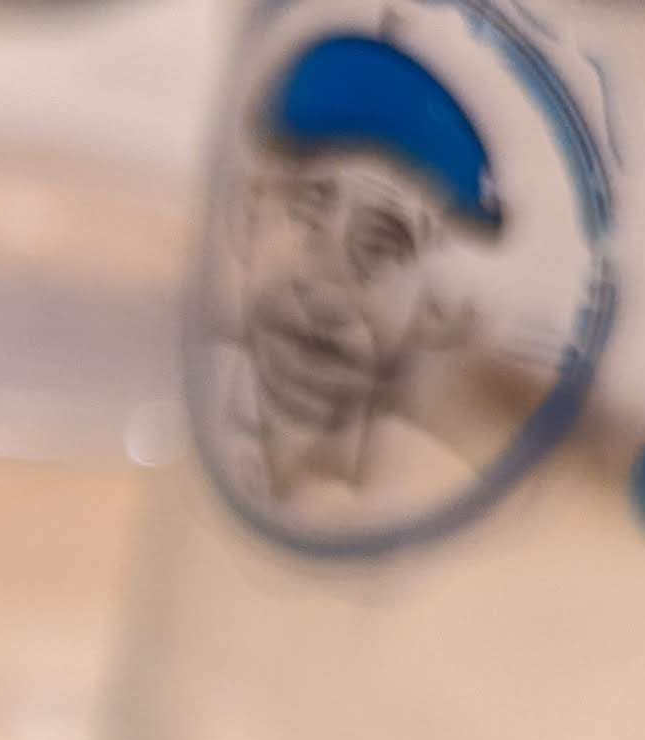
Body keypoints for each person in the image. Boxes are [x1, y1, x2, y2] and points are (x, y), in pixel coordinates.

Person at [200, 29, 560, 526]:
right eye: (306, 215)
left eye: (382, 246)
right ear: (247, 215)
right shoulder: (181, 406)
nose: (327, 290)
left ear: (443, 308)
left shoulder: (452, 499)